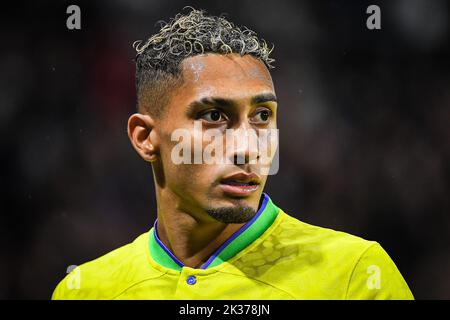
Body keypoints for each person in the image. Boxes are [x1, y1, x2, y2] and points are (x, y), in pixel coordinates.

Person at [52, 7, 413, 300]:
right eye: (214, 116)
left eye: (262, 116)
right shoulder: (85, 290)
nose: (246, 147)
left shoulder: (355, 275)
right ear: (146, 137)